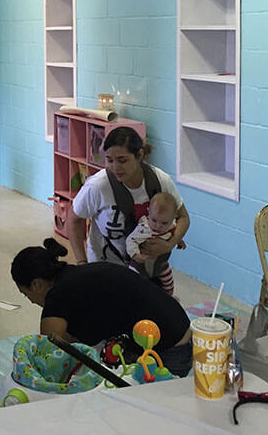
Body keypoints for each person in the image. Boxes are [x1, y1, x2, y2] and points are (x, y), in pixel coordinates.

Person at [11, 238, 192, 377]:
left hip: (168, 353)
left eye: (26, 294)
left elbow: (49, 352)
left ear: (36, 285)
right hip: (181, 332)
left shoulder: (57, 295)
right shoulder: (74, 276)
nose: (32, 301)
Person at [69, 126, 189, 273]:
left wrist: (169, 244)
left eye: (122, 160)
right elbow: (73, 219)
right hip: (106, 268)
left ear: (139, 155)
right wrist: (82, 263)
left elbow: (183, 217)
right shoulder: (98, 185)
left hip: (147, 269)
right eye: (110, 160)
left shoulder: (161, 180)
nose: (115, 167)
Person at [126, 191, 181, 295]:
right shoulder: (143, 228)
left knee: (168, 278)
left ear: (173, 218)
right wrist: (135, 254)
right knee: (133, 280)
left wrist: (179, 241)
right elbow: (130, 240)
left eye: (164, 223)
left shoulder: (171, 226)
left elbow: (173, 234)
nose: (158, 226)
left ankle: (168, 296)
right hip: (140, 264)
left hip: (159, 264)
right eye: (154, 220)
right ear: (148, 213)